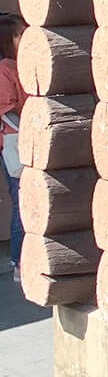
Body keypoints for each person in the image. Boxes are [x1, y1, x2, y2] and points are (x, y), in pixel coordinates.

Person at [0, 18, 24, 284]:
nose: (24, 38)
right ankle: (18, 262)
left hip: (27, 141)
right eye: (19, 34)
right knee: (21, 202)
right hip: (15, 144)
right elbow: (6, 111)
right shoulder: (6, 68)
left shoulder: (22, 65)